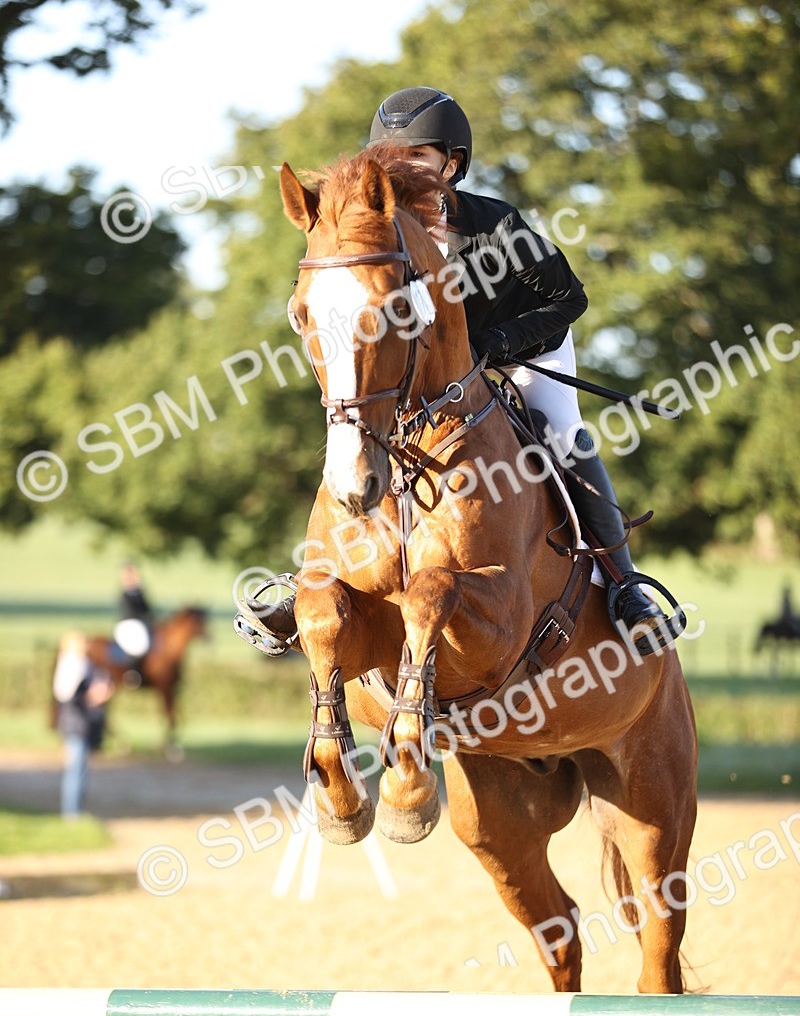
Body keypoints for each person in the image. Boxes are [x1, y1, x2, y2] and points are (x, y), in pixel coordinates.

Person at [243, 87, 677, 658]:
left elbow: (569, 299)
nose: (400, 168)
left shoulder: (496, 226)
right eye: (388, 159)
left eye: (417, 156)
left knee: (561, 432)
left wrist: (499, 342)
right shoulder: (375, 232)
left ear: (451, 164)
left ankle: (625, 586)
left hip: (526, 349)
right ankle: (313, 583)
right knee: (357, 428)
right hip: (433, 365)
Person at [52, 631, 114, 818]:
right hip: (77, 724)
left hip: (79, 724)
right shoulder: (74, 666)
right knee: (76, 770)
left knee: (80, 770)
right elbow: (70, 698)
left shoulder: (80, 665)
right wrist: (93, 696)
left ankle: (76, 810)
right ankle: (72, 813)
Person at [111, 563, 153, 677]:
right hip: (129, 625)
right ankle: (132, 672)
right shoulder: (125, 594)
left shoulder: (139, 593)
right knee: (138, 646)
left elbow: (147, 609)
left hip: (141, 624)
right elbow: (130, 611)